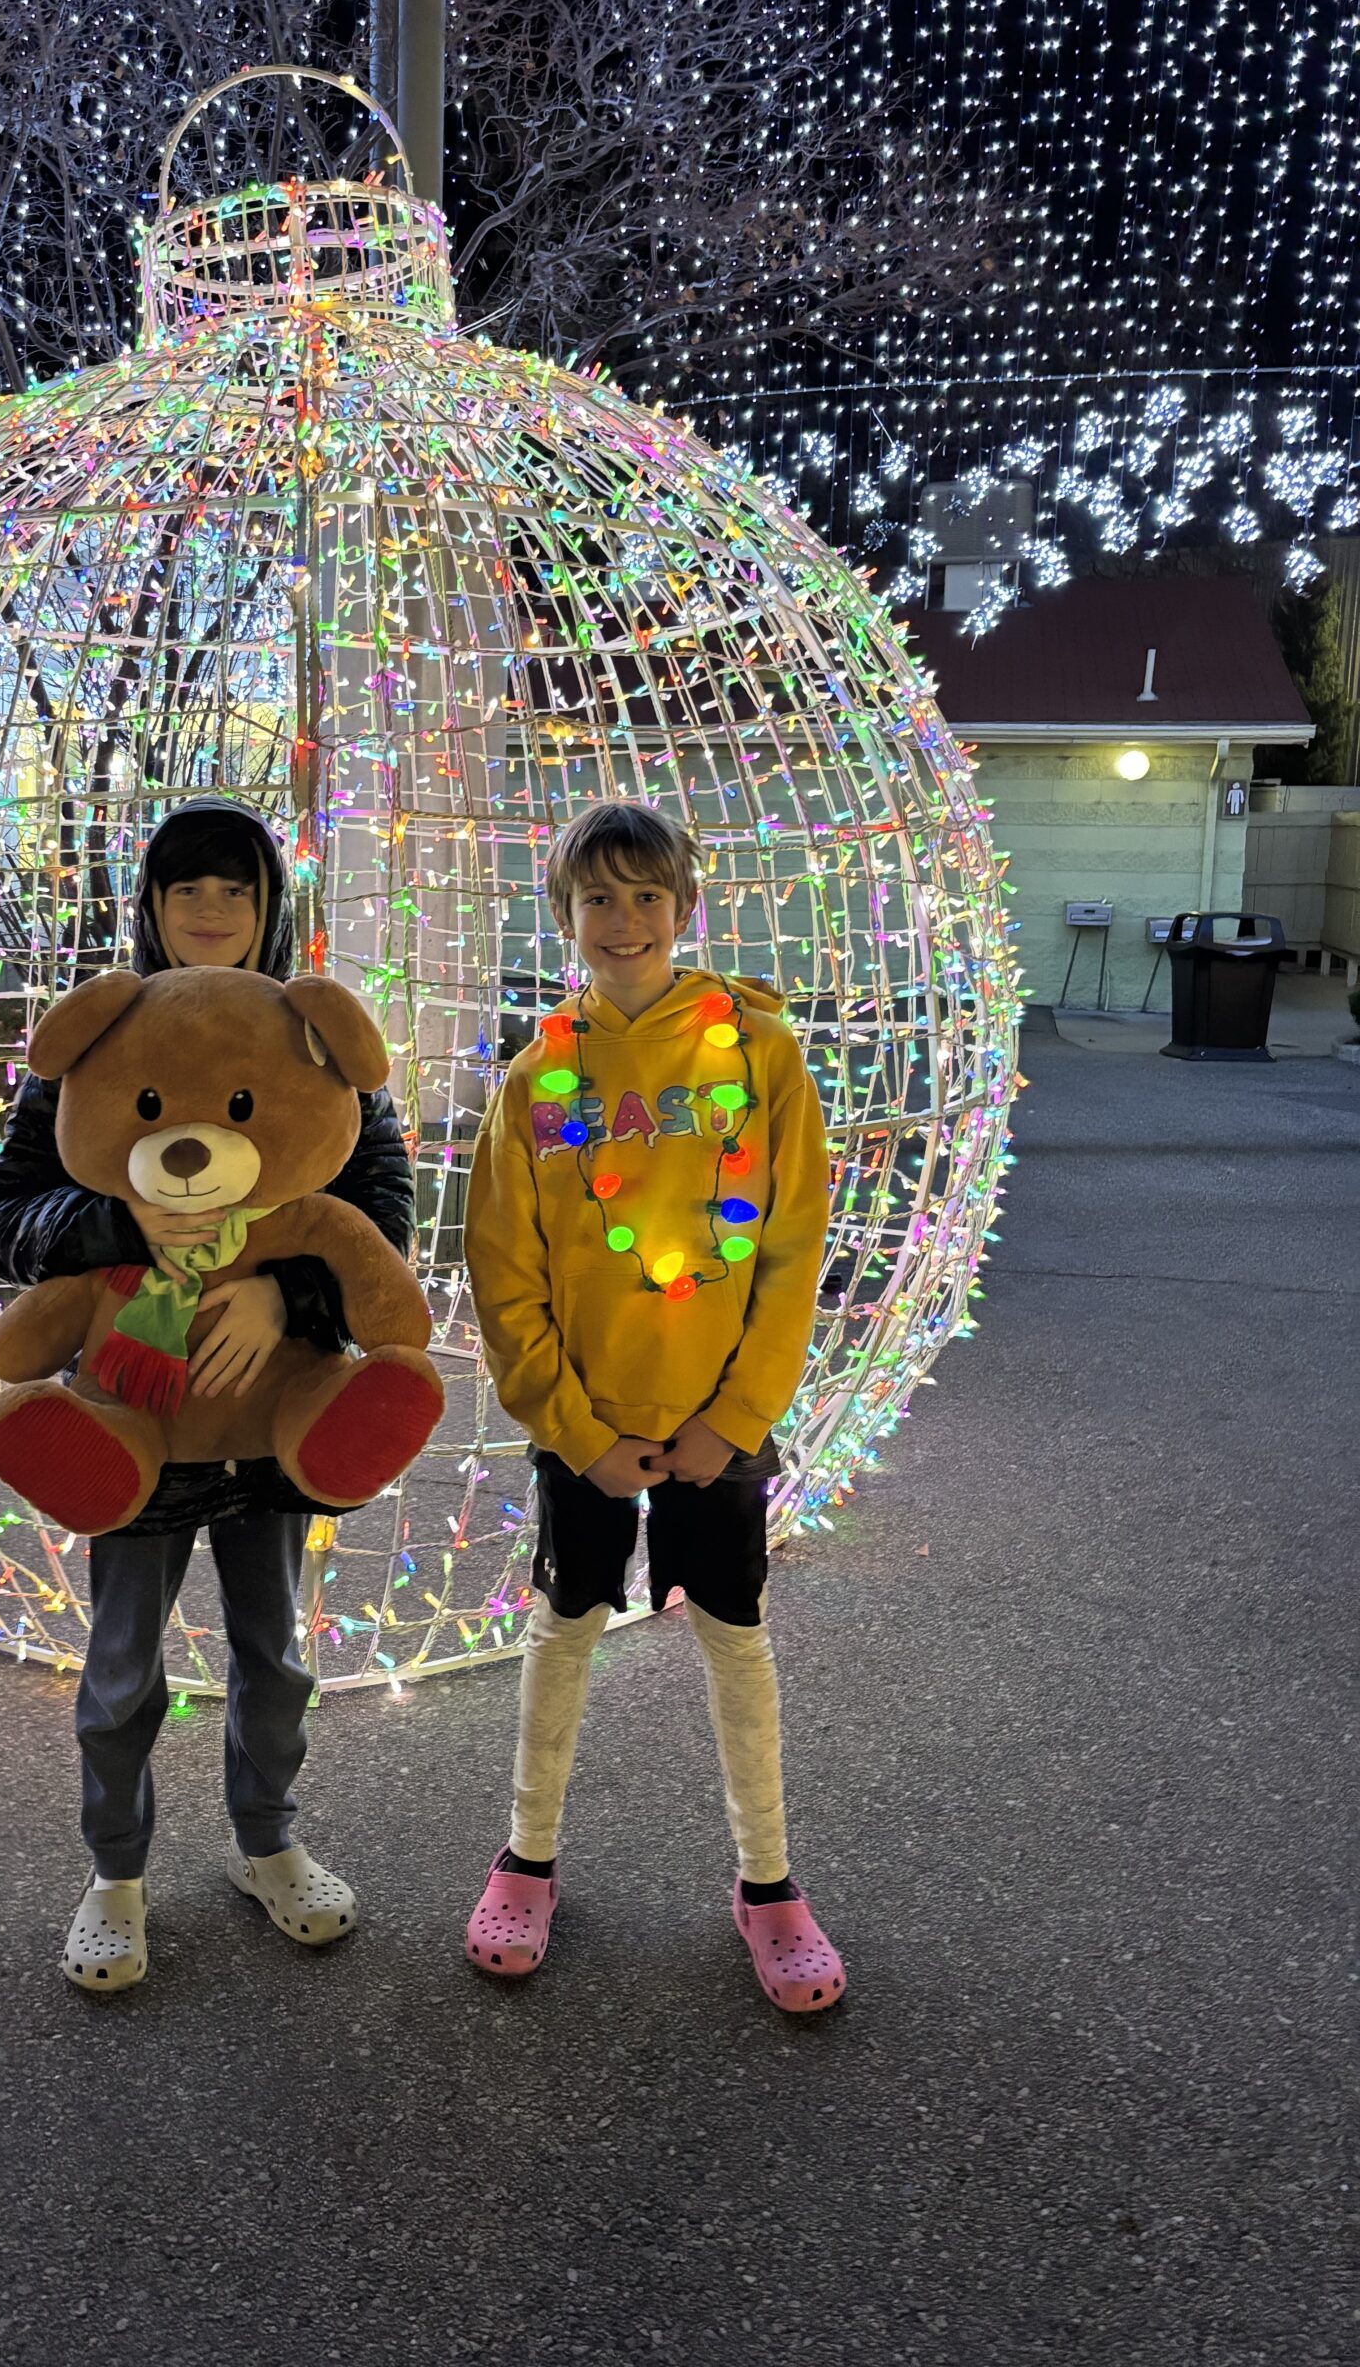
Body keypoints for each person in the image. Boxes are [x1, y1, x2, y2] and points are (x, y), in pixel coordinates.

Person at [0, 800, 413, 1993]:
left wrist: (292, 1302)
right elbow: (11, 1215)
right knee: (123, 1661)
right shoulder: (106, 1037)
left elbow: (380, 1210)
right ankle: (114, 1875)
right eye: (186, 891)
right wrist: (115, 1222)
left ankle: (267, 1842)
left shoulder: (314, 1045)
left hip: (267, 1409)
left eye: (234, 889)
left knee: (274, 1649)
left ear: (270, 907)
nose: (211, 911)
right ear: (153, 907)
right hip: (135, 1410)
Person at [460, 799, 845, 2010]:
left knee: (738, 1642)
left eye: (644, 897)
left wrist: (734, 1418)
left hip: (719, 1427)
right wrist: (576, 1428)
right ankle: (526, 1858)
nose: (622, 921)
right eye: (596, 900)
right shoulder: (541, 1075)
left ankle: (769, 1882)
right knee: (562, 1629)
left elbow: (792, 1247)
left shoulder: (758, 1053)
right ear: (565, 917)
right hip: (589, 1431)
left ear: (685, 908)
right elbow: (503, 1269)